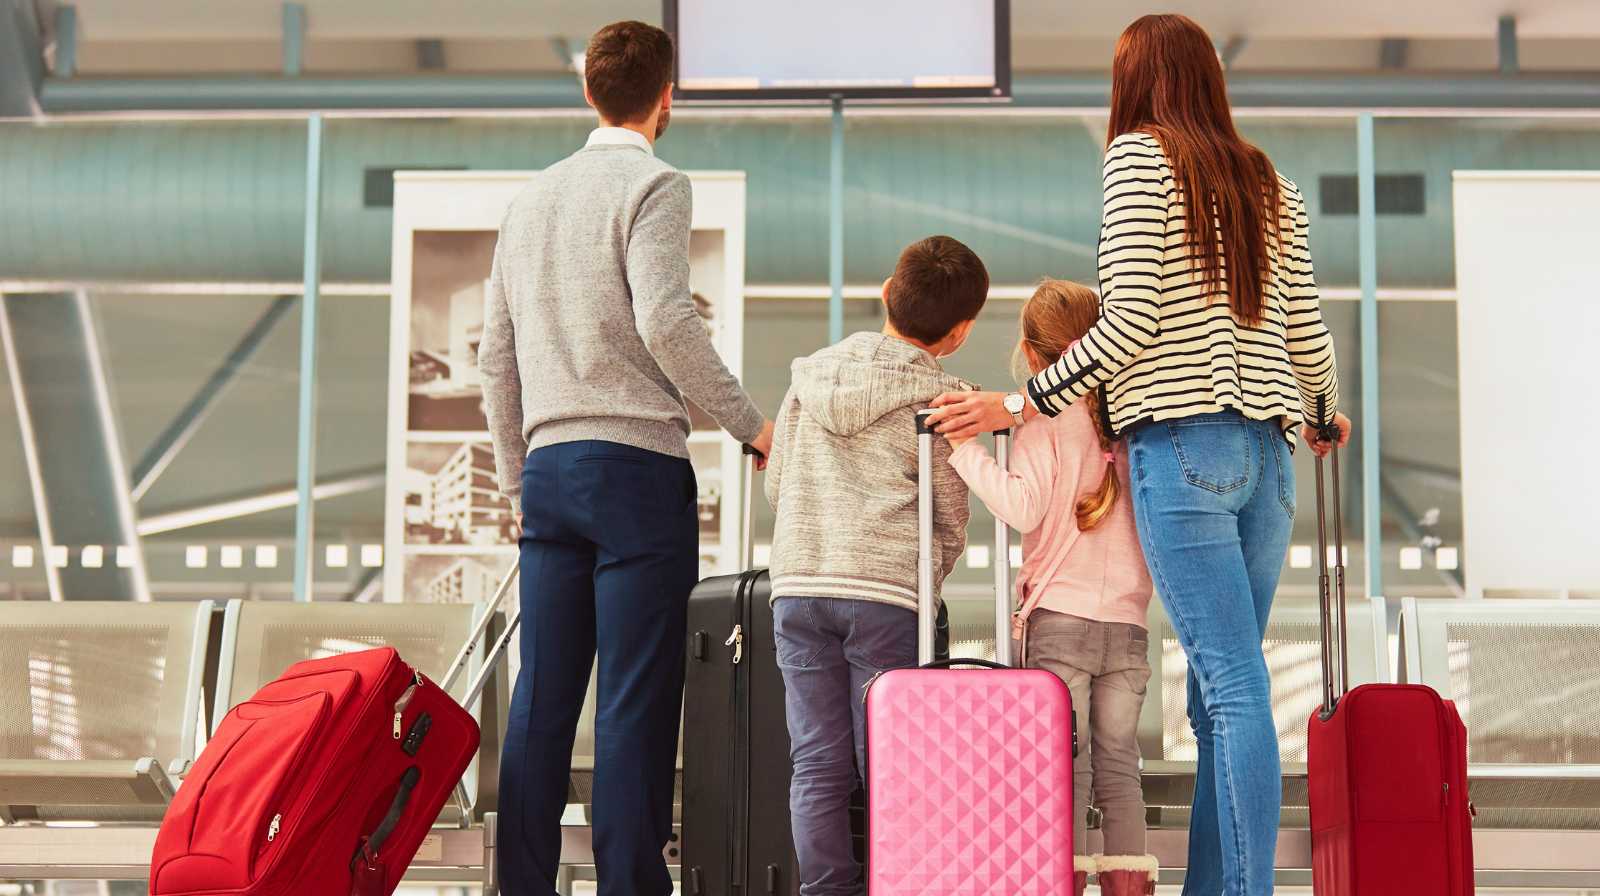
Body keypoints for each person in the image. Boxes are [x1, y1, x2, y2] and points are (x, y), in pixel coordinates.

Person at [929, 15, 1352, 896]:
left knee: (1230, 687)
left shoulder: (1139, 160)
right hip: (1271, 464)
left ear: (1136, 81)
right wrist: (1323, 412)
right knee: (1216, 693)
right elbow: (1307, 329)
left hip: (1184, 444)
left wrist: (1017, 402)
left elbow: (1129, 322)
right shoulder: (1271, 182)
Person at [477, 20, 773, 896]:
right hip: (636, 471)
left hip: (550, 472)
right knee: (634, 701)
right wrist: (752, 427)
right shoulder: (655, 184)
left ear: (588, 92)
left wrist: (513, 478)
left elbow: (497, 356)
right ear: (665, 97)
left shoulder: (530, 200)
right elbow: (667, 322)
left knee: (543, 697)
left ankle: (522, 886)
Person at [764, 235, 986, 896]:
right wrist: (930, 578)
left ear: (888, 292)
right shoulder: (942, 398)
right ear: (960, 333)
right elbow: (948, 514)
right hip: (885, 593)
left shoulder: (811, 375)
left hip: (799, 586)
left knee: (817, 765)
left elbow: (779, 484)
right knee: (891, 763)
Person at [946, 279, 1157, 896]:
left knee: (1062, 768)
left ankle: (1057, 885)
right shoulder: (1132, 417)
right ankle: (1129, 888)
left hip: (1060, 620)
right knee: (1120, 767)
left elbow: (1023, 507)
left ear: (1034, 357)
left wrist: (964, 451)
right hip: (1130, 625)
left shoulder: (1044, 416)